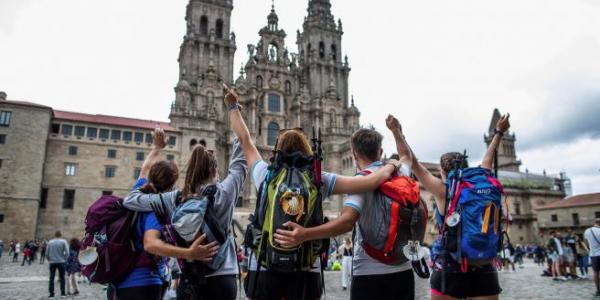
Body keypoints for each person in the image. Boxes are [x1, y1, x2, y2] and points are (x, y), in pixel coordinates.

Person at [224, 87, 398, 300]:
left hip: (265, 267)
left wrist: (233, 107)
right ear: (307, 149)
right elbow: (369, 181)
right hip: (307, 270)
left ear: (278, 151)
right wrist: (390, 165)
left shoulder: (265, 174)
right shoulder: (319, 179)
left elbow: (246, 141)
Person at [272, 116, 414, 300]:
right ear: (380, 152)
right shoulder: (401, 172)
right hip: (404, 269)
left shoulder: (359, 182)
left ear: (354, 154)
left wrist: (304, 234)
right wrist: (396, 131)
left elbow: (347, 222)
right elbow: (406, 156)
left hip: (368, 273)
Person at [123, 126, 245, 300]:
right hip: (223, 279)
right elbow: (240, 162)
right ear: (214, 171)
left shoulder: (174, 198)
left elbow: (130, 200)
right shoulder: (224, 193)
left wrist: (156, 150)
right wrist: (235, 111)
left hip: (189, 279)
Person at [406, 113, 511, 300]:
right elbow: (489, 158)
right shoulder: (483, 179)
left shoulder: (442, 190)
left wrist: (398, 134)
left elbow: (413, 163)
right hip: (484, 264)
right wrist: (499, 133)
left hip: (450, 265)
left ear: (443, 171)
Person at [47, 230, 69, 298]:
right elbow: (67, 252)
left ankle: (51, 294)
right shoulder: (63, 241)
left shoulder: (50, 242)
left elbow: (47, 253)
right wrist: (64, 259)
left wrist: (49, 259)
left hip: (52, 262)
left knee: (51, 278)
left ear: (55, 235)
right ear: (60, 235)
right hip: (61, 262)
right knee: (62, 278)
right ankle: (62, 293)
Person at [584, 219, 600, 297]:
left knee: (596, 272)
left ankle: (598, 290)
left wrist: (591, 249)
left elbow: (586, 243)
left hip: (593, 254)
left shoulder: (587, 231)